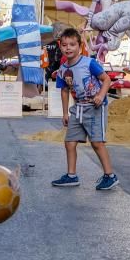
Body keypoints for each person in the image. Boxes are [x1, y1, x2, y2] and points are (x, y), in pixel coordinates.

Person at [51, 27, 118, 191]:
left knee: (97, 143)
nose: (68, 48)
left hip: (95, 108)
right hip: (78, 109)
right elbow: (65, 90)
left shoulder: (89, 63)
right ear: (60, 47)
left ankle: (110, 175)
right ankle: (71, 175)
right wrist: (65, 112)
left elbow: (106, 79)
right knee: (69, 142)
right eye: (65, 45)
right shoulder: (62, 70)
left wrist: (101, 96)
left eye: (72, 44)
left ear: (79, 46)